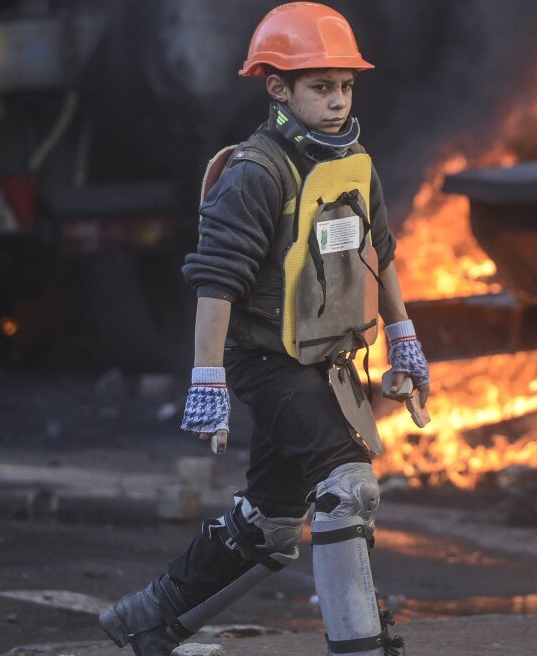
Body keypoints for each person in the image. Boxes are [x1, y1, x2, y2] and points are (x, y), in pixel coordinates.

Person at [97, 3, 429, 655]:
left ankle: (145, 621)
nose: (337, 102)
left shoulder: (354, 162)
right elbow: (215, 283)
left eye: (345, 86)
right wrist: (207, 381)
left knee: (273, 525)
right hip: (270, 364)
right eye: (321, 87)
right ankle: (360, 644)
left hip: (328, 364)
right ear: (277, 86)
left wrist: (405, 337)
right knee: (348, 486)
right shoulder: (255, 173)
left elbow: (380, 254)